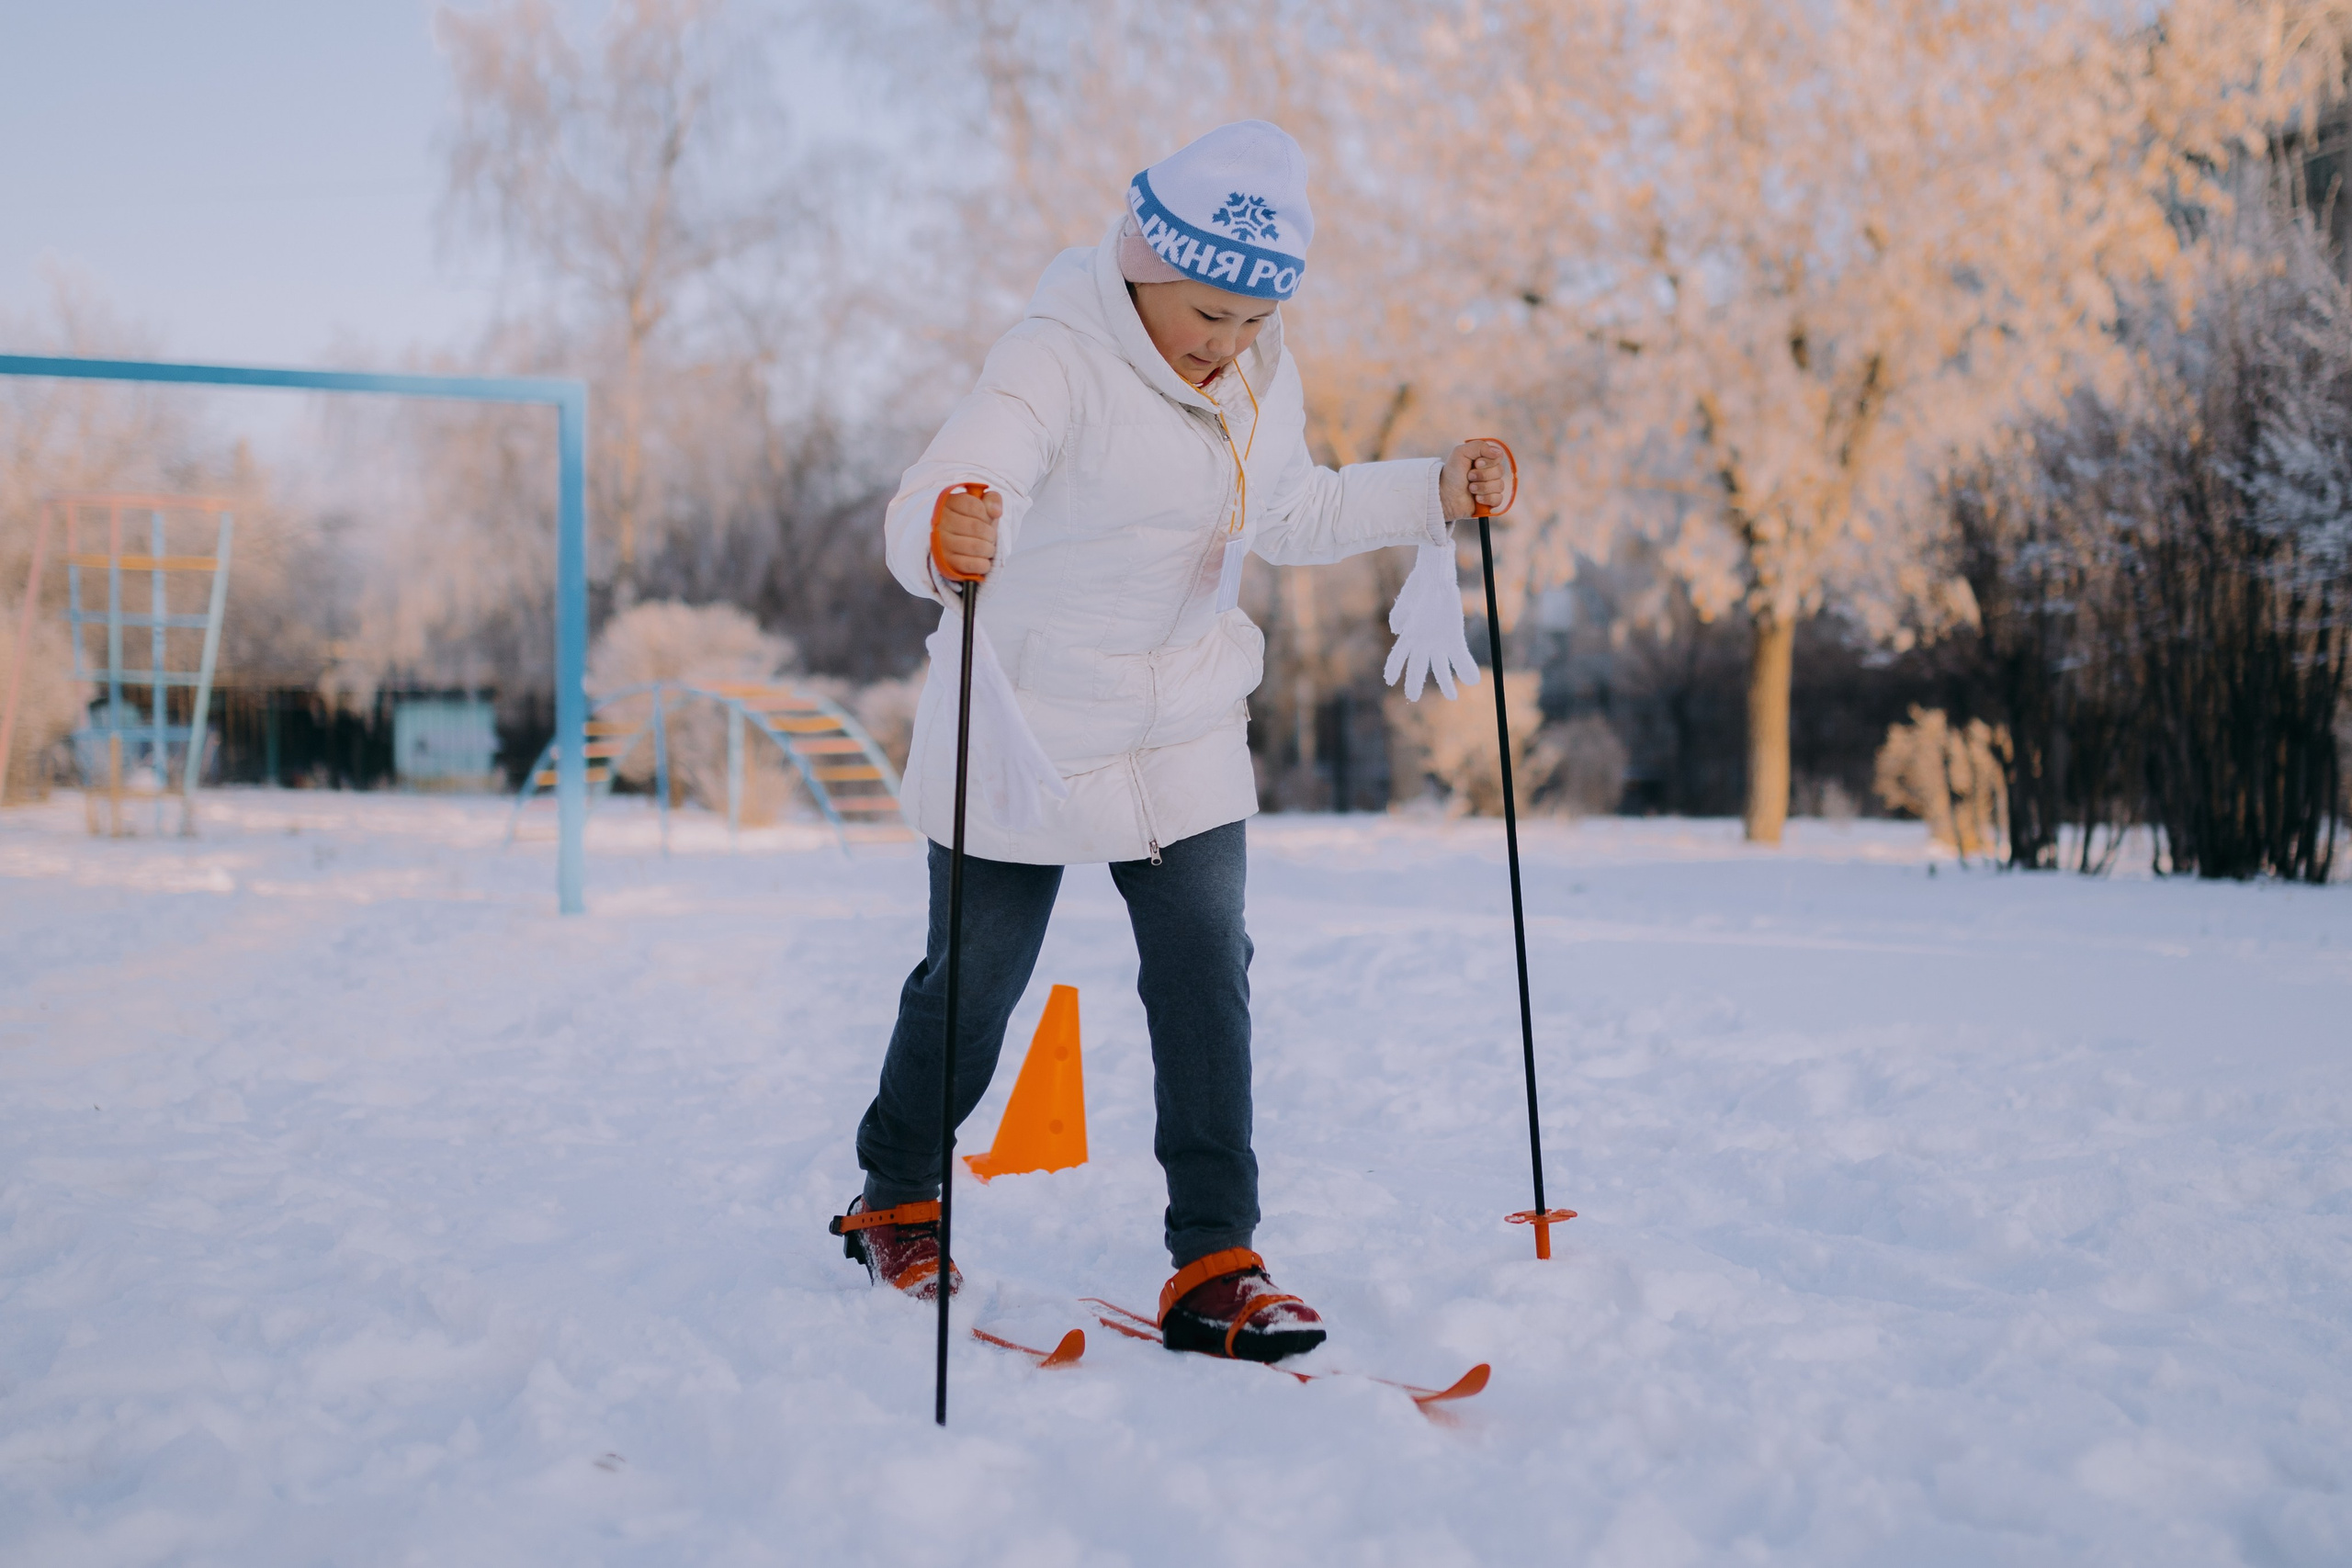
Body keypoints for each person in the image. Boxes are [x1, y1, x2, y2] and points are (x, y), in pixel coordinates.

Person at [831, 120, 1509, 1363]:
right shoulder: (1057, 356)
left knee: (1206, 973)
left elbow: (1291, 508)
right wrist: (947, 532)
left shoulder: (1258, 371)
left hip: (1184, 725)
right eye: (1209, 312)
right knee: (975, 983)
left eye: (1255, 322)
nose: (1229, 343)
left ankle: (1216, 1259)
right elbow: (961, 477)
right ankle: (897, 1190)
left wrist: (1432, 491)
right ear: (1145, 262)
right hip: (1027, 724)